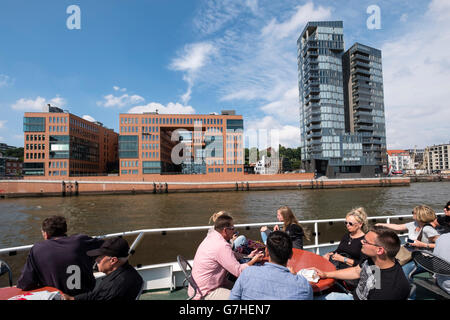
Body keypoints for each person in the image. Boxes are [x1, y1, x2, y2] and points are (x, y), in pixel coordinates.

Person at [312, 226, 411, 300]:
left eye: (365, 241)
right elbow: (356, 271)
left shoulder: (389, 290)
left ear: (380, 250)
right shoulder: (373, 259)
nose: (361, 242)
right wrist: (326, 274)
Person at [17, 215, 103, 296]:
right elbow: (107, 246)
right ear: (65, 231)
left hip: (56, 297)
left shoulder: (37, 249)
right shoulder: (81, 241)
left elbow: (26, 283)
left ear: (46, 234)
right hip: (86, 295)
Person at [189, 214, 264, 300]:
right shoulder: (221, 245)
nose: (234, 231)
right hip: (206, 292)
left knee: (244, 288)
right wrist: (253, 261)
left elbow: (230, 254)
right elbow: (238, 271)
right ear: (225, 230)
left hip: (199, 287)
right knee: (242, 296)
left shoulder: (212, 236)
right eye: (232, 228)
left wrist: (248, 256)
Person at [229, 231, 313, 300]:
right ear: (291, 254)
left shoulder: (247, 273)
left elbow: (233, 298)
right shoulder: (303, 285)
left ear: (267, 252)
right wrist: (295, 277)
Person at [62, 237, 143, 301]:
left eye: (100, 257)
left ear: (113, 260)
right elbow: (96, 295)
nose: (96, 260)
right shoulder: (129, 273)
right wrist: (73, 299)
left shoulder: (114, 287)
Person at [376, 205, 440, 278]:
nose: (412, 213)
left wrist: (423, 245)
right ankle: (380, 284)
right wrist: (381, 224)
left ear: (420, 215)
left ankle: (406, 288)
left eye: (413, 212)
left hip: (425, 259)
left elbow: (441, 245)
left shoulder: (428, 229)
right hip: (411, 254)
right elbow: (398, 227)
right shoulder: (414, 224)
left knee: (403, 271)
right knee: (385, 261)